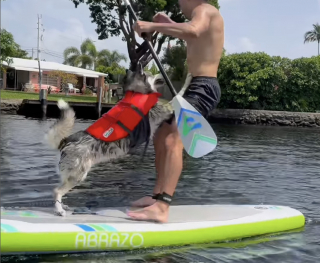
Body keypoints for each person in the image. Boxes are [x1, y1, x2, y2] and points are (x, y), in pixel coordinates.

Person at [127, 0, 224, 223]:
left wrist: (154, 26)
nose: (179, 2)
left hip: (204, 87)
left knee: (173, 140)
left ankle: (162, 206)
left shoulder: (205, 10)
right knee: (161, 134)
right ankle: (156, 197)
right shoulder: (203, 15)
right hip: (192, 87)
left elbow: (193, 30)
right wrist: (168, 23)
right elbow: (191, 33)